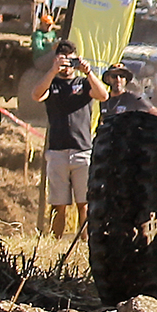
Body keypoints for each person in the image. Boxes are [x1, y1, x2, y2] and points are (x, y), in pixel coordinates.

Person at [31, 40, 107, 236]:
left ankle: (85, 241)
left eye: (70, 62)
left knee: (84, 203)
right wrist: (53, 71)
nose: (67, 67)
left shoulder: (83, 83)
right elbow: (36, 95)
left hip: (82, 150)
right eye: (63, 62)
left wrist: (88, 72)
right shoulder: (52, 83)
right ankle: (55, 241)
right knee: (58, 204)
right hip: (57, 151)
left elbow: (103, 95)